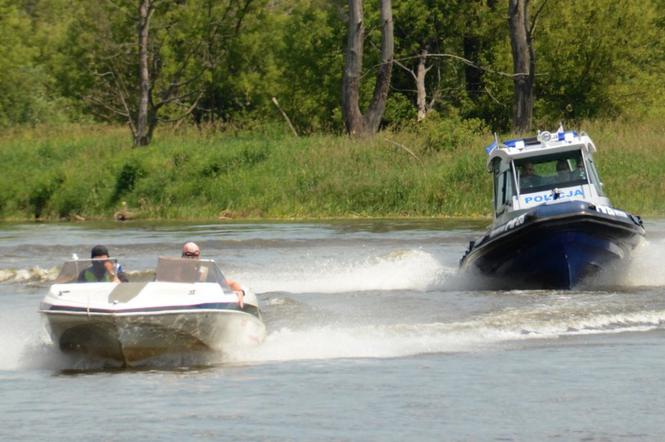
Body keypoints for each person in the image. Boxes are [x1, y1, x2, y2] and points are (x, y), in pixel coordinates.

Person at [181, 242, 245, 308]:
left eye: (195, 255)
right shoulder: (177, 270)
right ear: (182, 256)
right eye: (188, 255)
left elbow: (232, 284)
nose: (192, 258)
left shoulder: (203, 272)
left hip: (200, 305)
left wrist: (240, 292)